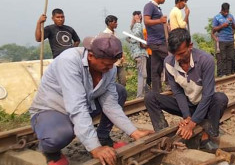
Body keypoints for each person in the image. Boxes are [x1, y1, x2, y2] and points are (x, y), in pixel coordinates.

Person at [29, 33, 153, 165]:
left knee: (119, 91)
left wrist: (134, 132)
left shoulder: (109, 69)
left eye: (112, 64)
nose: (110, 68)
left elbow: (110, 105)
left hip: (83, 105)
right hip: (52, 109)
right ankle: (51, 152)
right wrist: (95, 148)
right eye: (105, 64)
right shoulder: (69, 61)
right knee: (59, 136)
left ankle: (102, 138)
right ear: (91, 56)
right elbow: (77, 106)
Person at [145, 28, 228, 150]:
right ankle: (163, 134)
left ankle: (207, 136)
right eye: (175, 54)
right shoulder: (169, 63)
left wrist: (192, 124)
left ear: (190, 46)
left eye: (181, 53)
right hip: (188, 105)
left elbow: (207, 95)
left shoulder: (206, 60)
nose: (177, 58)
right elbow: (178, 92)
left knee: (220, 98)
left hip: (205, 105)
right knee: (150, 97)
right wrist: (187, 117)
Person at [143, 0, 168, 93]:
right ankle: (170, 84)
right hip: (156, 42)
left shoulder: (157, 8)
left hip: (159, 41)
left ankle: (157, 92)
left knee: (155, 69)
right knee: (171, 59)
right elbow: (146, 21)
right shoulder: (149, 6)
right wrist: (160, 20)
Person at [212, 3, 235, 76]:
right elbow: (214, 29)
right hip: (222, 40)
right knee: (223, 57)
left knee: (231, 57)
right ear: (222, 10)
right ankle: (222, 74)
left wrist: (232, 23)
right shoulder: (217, 17)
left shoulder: (231, 16)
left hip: (230, 39)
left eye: (227, 12)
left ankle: (229, 73)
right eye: (225, 12)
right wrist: (223, 25)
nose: (226, 13)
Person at [129, 11, 148, 98]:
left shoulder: (133, 27)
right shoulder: (138, 25)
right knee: (142, 75)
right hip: (140, 53)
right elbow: (136, 35)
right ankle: (140, 96)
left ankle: (145, 94)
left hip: (136, 54)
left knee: (142, 74)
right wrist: (138, 21)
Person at [103, 15, 126, 87]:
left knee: (123, 81)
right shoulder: (105, 34)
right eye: (115, 22)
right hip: (111, 62)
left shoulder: (115, 33)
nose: (117, 24)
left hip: (119, 61)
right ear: (109, 23)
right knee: (113, 81)